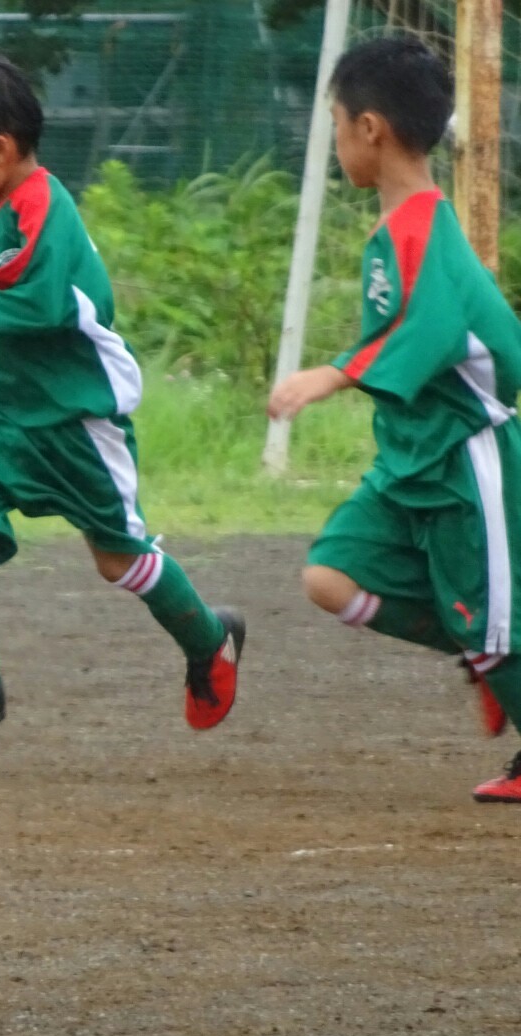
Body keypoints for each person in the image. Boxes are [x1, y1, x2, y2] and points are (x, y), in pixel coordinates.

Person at [0, 53, 244, 738]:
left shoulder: (42, 205)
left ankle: (209, 641)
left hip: (74, 421)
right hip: (3, 415)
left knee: (120, 559)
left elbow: (45, 303)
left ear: (0, 149)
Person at [267, 35, 521, 803]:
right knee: (329, 576)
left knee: (498, 632)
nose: (337, 138)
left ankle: (493, 662)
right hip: (408, 461)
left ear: (369, 129)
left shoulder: (424, 226)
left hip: (464, 463)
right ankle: (482, 654)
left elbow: (435, 332)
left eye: (337, 122)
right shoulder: (394, 229)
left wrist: (333, 373)